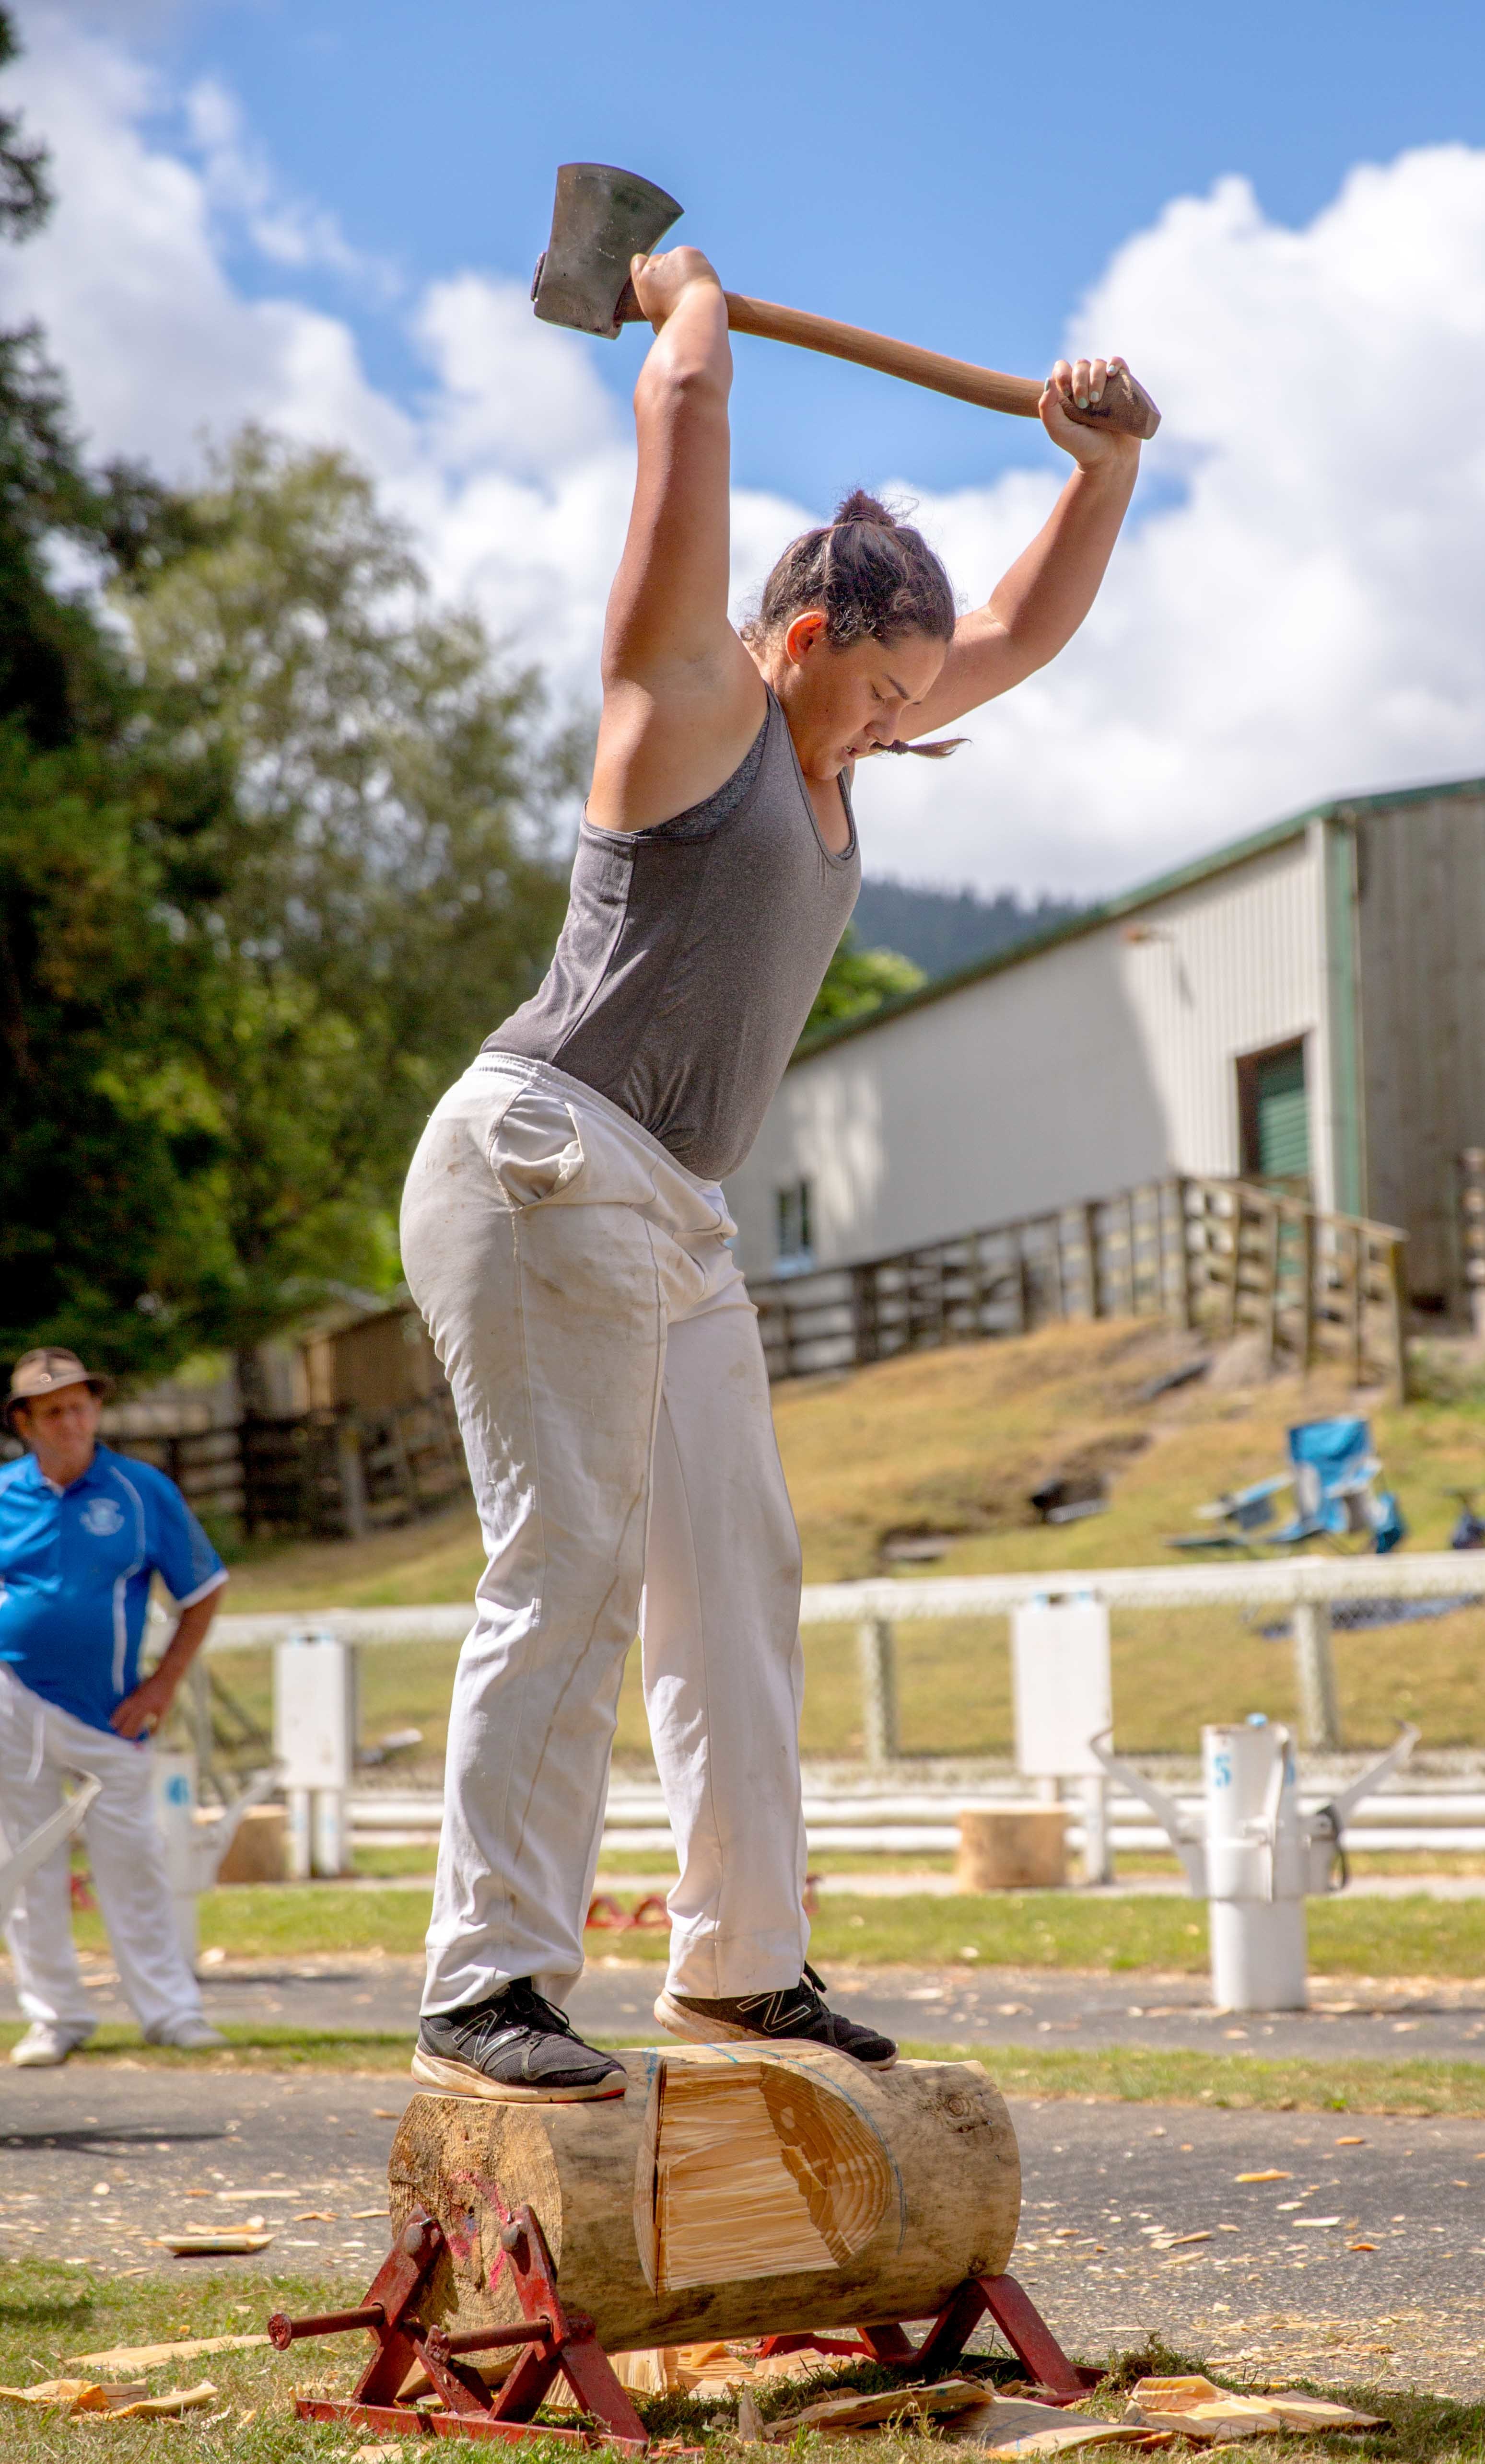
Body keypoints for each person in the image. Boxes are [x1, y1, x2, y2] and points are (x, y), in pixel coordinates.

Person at [400, 242, 1144, 2101]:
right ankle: (485, 1979)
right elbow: (683, 408)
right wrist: (690, 305)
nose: (906, 725)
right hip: (543, 1154)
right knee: (566, 1554)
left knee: (735, 1567)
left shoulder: (838, 729)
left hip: (674, 1207)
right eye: (886, 696)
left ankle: (739, 1965)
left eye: (910, 705)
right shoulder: (697, 703)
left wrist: (1100, 471)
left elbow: (1028, 638)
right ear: (807, 641)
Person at [0, 1347, 230, 2065]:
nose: (70, 1421)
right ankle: (55, 2016)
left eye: (80, 1405)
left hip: (112, 1712)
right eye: (53, 1411)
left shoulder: (139, 1490)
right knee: (26, 1860)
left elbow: (202, 1589)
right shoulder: (4, 1493)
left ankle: (170, 2012)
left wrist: (162, 1684)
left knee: (132, 1860)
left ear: (96, 1409)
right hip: (12, 1702)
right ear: (25, 1423)